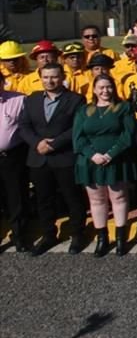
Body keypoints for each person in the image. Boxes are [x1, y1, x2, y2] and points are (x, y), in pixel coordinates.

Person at [16, 63, 87, 255]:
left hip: (64, 157)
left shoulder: (76, 99)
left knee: (73, 198)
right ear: (40, 78)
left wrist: (54, 144)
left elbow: (77, 127)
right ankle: (48, 235)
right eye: (46, 77)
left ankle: (78, 234)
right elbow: (23, 125)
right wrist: (37, 143)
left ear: (62, 77)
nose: (50, 81)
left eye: (54, 77)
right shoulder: (32, 99)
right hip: (38, 157)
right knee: (44, 199)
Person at [74, 74, 137, 257]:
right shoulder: (84, 110)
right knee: (96, 200)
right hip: (91, 161)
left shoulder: (123, 107)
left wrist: (111, 154)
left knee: (119, 197)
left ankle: (120, 239)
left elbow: (128, 135)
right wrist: (92, 155)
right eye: (101, 87)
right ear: (94, 90)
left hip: (116, 159)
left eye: (109, 87)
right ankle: (102, 239)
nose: (105, 91)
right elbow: (78, 138)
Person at [0, 71, 29, 251]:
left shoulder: (19, 100)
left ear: (3, 82)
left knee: (16, 197)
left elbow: (28, 127)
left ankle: (19, 236)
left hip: (11, 157)